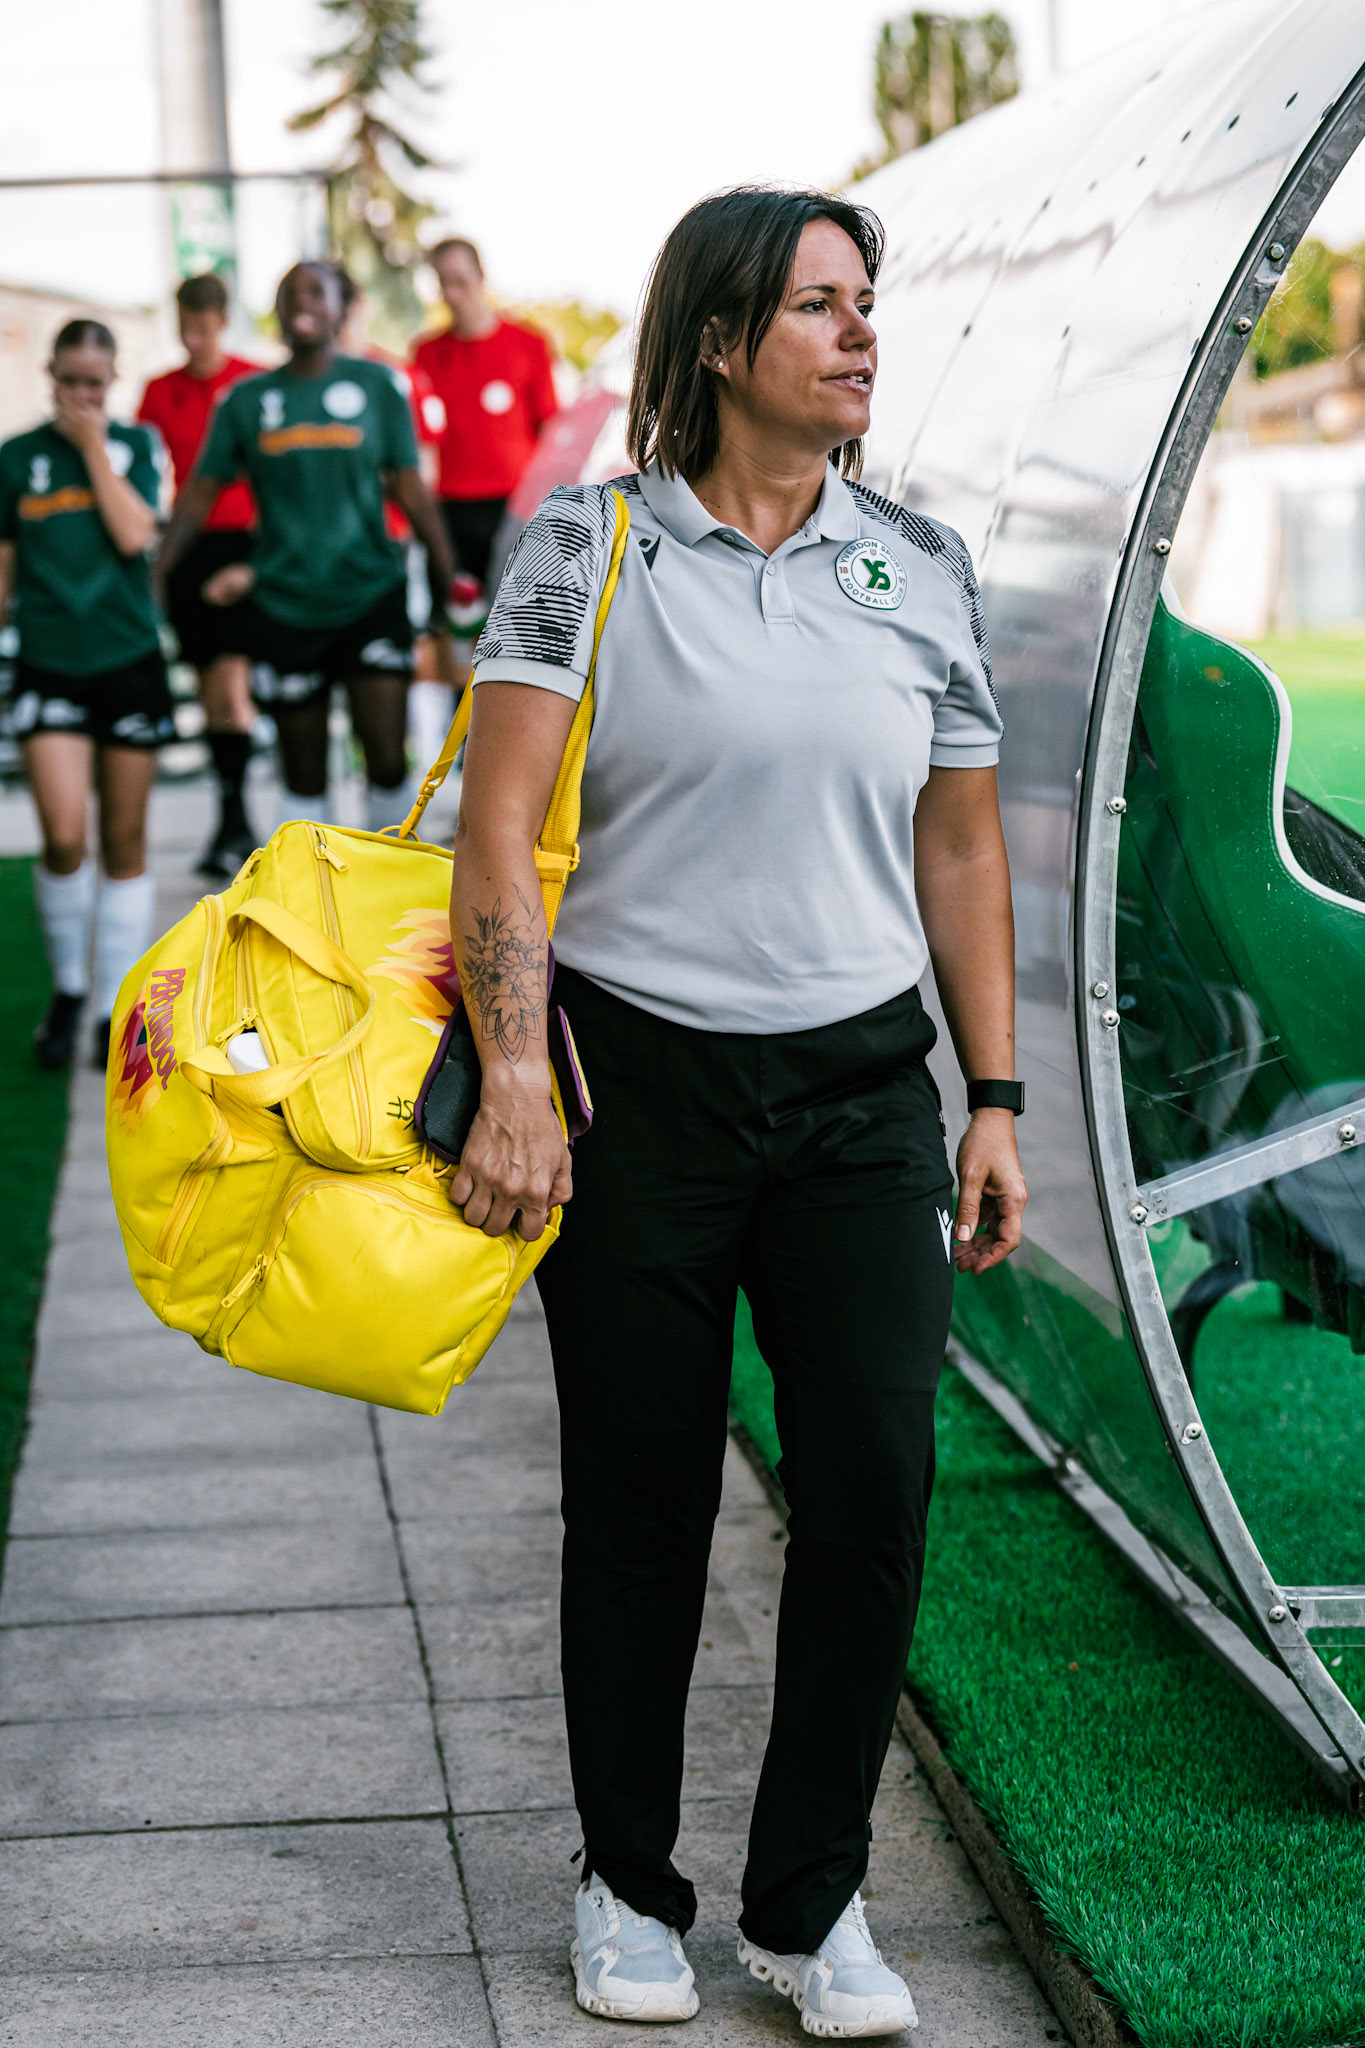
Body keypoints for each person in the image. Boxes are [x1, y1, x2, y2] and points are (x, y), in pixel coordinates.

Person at [450, 187, 1027, 2035]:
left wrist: (993, 1094)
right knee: (641, 1502)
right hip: (642, 1091)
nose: (861, 334)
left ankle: (810, 1903)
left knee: (875, 1483)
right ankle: (626, 1883)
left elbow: (961, 845)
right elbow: (497, 831)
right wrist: (518, 1075)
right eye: (817, 306)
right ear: (717, 341)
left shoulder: (920, 561)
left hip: (859, 1097)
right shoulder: (588, 545)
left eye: (867, 303)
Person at [157, 260, 454, 832]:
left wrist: (448, 574)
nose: (302, 301)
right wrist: (159, 573)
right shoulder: (246, 400)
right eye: (289, 292)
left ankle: (386, 880)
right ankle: (313, 885)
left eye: (317, 291)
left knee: (387, 760)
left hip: (371, 595)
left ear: (342, 308)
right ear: (275, 309)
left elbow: (411, 488)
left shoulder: (380, 386)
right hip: (283, 604)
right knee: (303, 772)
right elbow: (197, 496)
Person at [0, 318, 170, 1071]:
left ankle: (113, 1008)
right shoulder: (16, 458)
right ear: (50, 376)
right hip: (48, 661)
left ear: (113, 382)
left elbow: (135, 535)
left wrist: (93, 447)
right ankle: (70, 989)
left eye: (94, 384)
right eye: (69, 381)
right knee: (65, 836)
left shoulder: (137, 444)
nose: (80, 396)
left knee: (125, 841)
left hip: (128, 659)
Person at [137, 272, 259, 878]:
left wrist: (259, 560)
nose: (195, 339)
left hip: (247, 544)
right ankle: (231, 820)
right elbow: (148, 472)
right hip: (190, 546)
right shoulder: (160, 392)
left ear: (223, 323)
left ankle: (243, 825)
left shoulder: (252, 383)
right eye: (186, 328)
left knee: (234, 691)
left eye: (205, 328)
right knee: (211, 693)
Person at [412, 237, 558, 683]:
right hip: (451, 514)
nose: (452, 293)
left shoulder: (527, 344)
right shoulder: (427, 353)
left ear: (480, 277)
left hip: (514, 510)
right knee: (461, 630)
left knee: (520, 627)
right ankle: (463, 722)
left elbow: (550, 432)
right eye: (443, 283)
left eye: (460, 280)